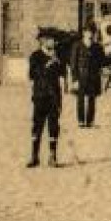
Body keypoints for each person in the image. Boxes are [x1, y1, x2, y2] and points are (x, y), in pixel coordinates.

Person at [27, 30, 67, 167]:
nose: (53, 42)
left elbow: (63, 75)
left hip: (54, 97)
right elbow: (32, 74)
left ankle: (52, 156)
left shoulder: (59, 56)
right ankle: (34, 156)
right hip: (40, 96)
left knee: (54, 126)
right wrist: (49, 64)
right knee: (37, 126)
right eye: (50, 39)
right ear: (42, 41)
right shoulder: (35, 56)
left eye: (54, 39)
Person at [72, 23, 106, 128]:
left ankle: (90, 121)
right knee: (80, 99)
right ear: (84, 33)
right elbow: (73, 63)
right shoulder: (77, 45)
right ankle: (81, 121)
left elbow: (102, 61)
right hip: (81, 76)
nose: (89, 34)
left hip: (93, 76)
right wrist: (75, 79)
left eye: (91, 32)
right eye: (87, 32)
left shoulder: (97, 47)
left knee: (92, 99)